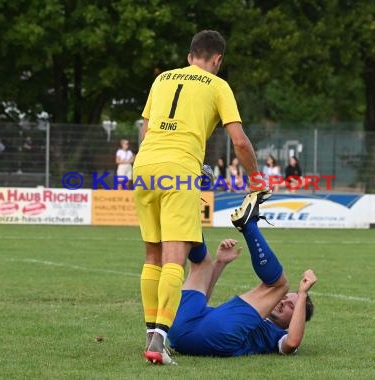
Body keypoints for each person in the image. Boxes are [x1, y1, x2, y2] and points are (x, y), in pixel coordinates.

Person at [134, 30, 266, 365]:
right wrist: (256, 179)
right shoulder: (218, 85)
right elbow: (238, 141)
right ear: (218, 59)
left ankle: (152, 333)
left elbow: (146, 129)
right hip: (179, 170)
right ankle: (158, 342)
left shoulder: (162, 79)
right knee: (175, 258)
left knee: (152, 256)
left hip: (145, 165)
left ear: (191, 53)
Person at [168, 192, 317, 357]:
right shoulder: (239, 317)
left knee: (280, 285)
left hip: (212, 336)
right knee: (202, 264)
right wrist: (219, 263)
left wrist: (302, 294)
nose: (282, 302)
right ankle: (185, 209)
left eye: (291, 306)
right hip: (180, 328)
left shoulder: (277, 336)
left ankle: (249, 225)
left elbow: (292, 342)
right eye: (285, 299)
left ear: (296, 318)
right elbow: (202, 301)